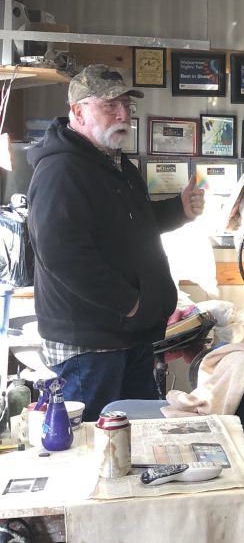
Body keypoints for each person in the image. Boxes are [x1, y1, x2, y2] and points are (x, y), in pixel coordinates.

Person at [27, 64, 205, 422]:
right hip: (91, 342)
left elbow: (131, 225)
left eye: (126, 105)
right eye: (110, 106)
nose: (123, 114)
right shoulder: (61, 170)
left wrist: (177, 211)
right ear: (78, 112)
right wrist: (129, 304)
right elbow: (62, 254)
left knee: (137, 437)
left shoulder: (114, 164)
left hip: (127, 335)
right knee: (95, 445)